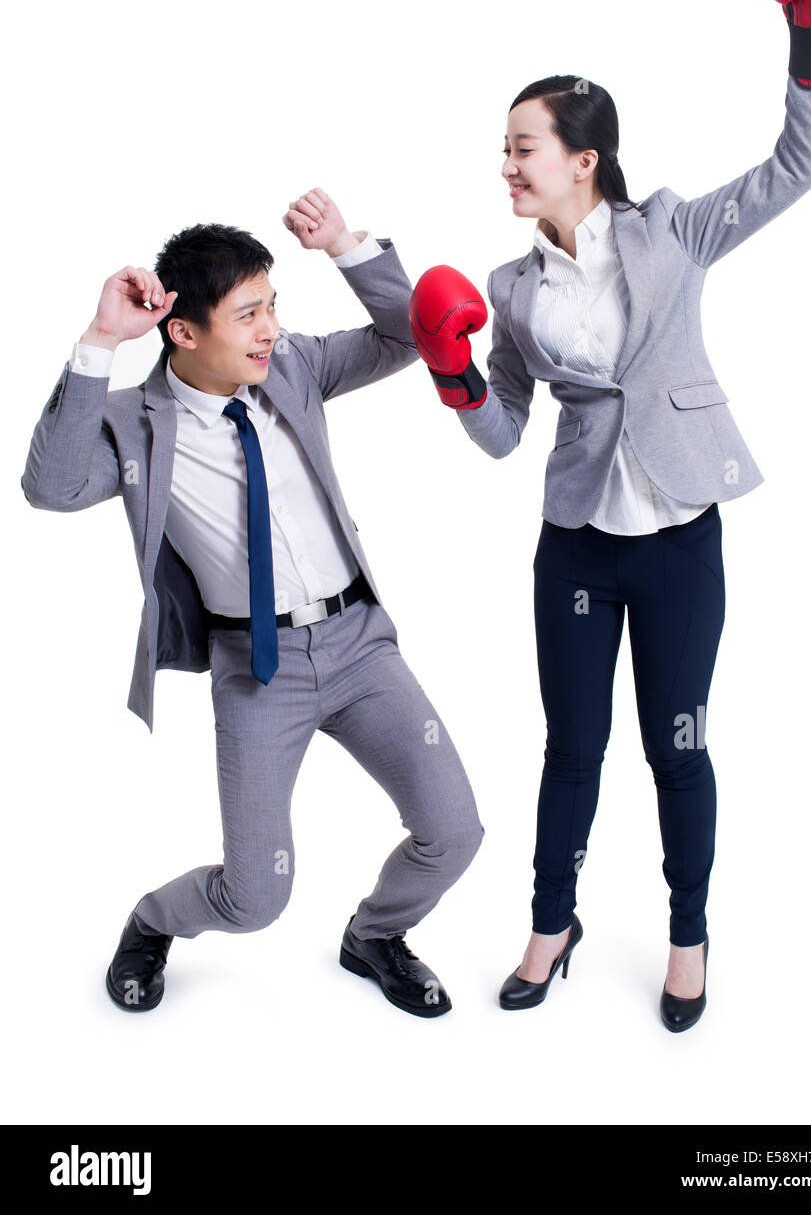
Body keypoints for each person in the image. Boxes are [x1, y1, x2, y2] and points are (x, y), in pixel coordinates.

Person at [409, 0, 811, 1029]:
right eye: (503, 148)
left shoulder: (673, 234)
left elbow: (798, 166)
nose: (504, 165)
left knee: (678, 750)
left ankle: (687, 931)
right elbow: (504, 431)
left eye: (521, 147)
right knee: (570, 747)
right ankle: (551, 922)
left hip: (681, 539)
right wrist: (456, 375)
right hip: (576, 545)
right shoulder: (509, 287)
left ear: (581, 159)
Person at [21, 191, 484, 1019]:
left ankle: (375, 935)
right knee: (255, 897)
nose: (269, 327)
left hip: (359, 646)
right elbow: (50, 489)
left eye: (272, 305)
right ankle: (152, 919)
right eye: (247, 314)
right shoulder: (137, 425)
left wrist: (346, 246)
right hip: (257, 669)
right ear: (183, 332)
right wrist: (97, 343)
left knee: (454, 832)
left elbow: (403, 337)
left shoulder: (294, 366)